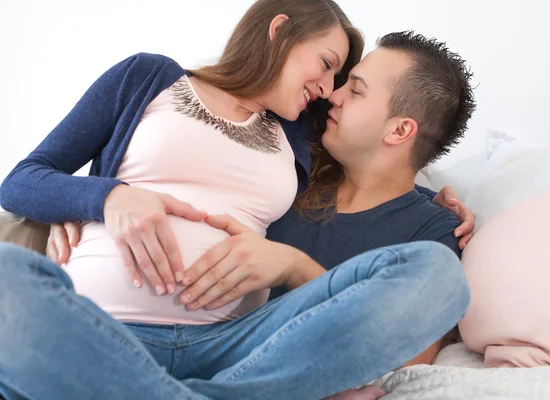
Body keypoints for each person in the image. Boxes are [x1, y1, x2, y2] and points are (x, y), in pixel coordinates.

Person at [0, 0, 474, 397]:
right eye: (329, 66)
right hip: (100, 328)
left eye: (348, 83)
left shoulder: (300, 132)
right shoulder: (148, 78)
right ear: (280, 31)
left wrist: (445, 200)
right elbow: (25, 180)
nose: (330, 94)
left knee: (440, 275)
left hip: (233, 345)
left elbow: (383, 164)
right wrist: (100, 198)